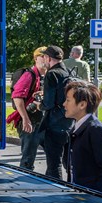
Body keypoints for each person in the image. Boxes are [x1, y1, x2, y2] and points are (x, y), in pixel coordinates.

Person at [62, 81, 102, 195]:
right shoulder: (77, 127)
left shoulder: (96, 130)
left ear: (82, 104)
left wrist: (97, 197)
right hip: (79, 194)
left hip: (92, 201)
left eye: (68, 100)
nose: (64, 104)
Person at [6, 47, 48, 169]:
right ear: (36, 58)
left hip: (42, 121)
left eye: (47, 56)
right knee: (28, 159)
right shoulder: (29, 75)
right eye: (42, 56)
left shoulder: (45, 76)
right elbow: (17, 97)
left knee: (53, 152)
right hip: (30, 122)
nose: (45, 59)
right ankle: (25, 182)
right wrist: (25, 119)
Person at [37, 45, 74, 181]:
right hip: (69, 122)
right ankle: (73, 186)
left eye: (44, 57)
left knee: (54, 164)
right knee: (68, 163)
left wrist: (38, 105)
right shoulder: (68, 72)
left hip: (54, 124)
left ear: (48, 58)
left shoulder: (52, 74)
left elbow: (48, 103)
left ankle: (55, 190)